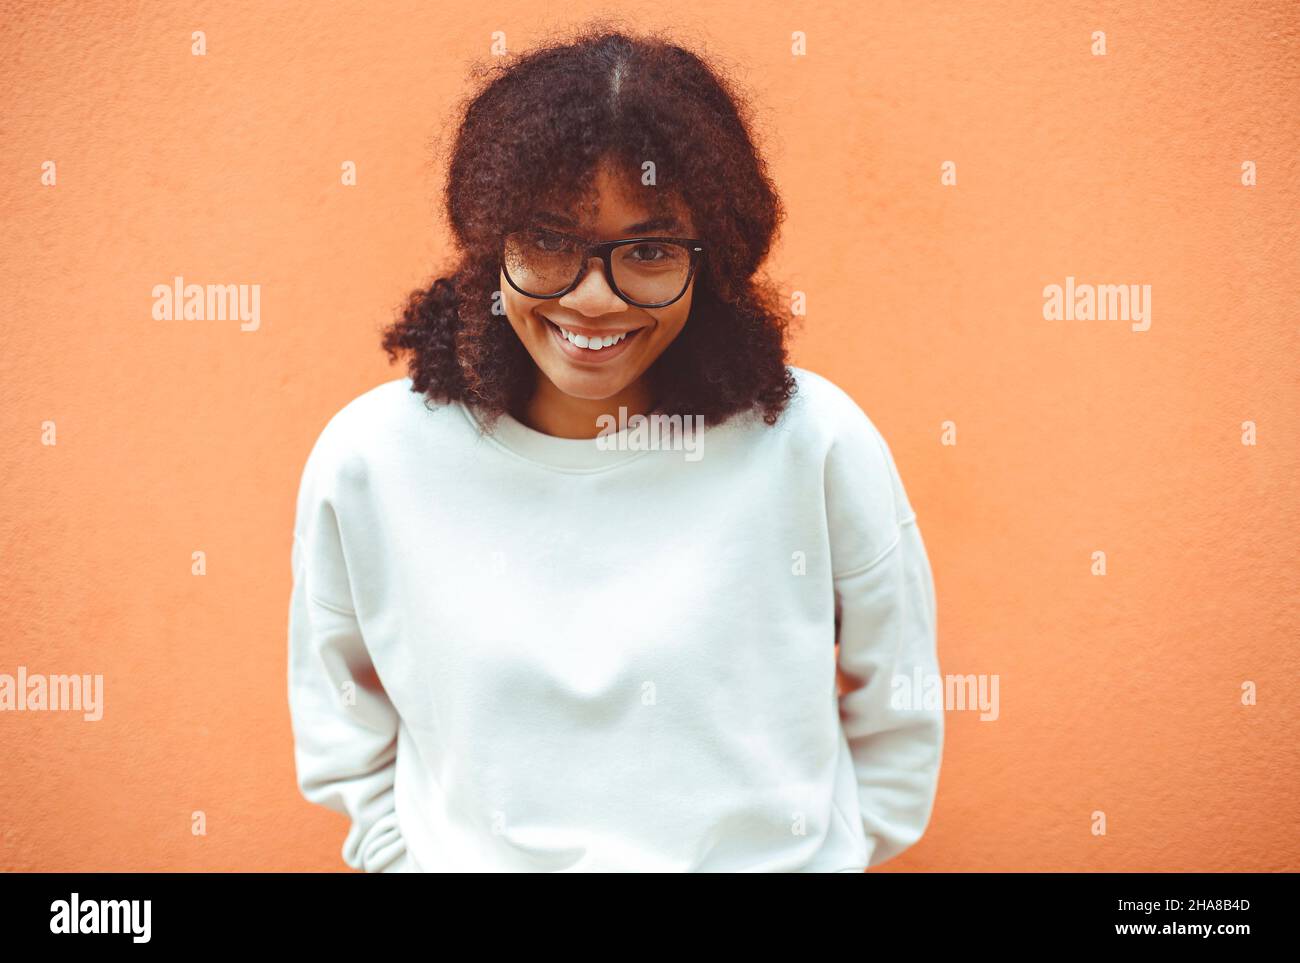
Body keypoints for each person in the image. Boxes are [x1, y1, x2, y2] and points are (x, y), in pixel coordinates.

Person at [287, 25, 943, 872]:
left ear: (712, 260)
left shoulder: (814, 444)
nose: (593, 297)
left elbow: (901, 705)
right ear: (491, 246)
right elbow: (340, 725)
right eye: (550, 241)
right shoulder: (372, 461)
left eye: (647, 250)